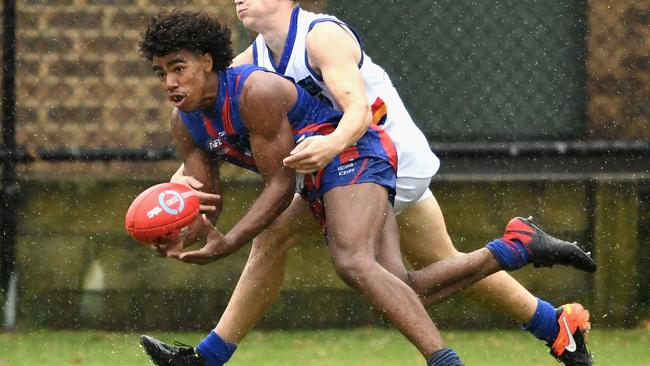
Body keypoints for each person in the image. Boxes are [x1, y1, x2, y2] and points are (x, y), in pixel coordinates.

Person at [136, 9, 596, 366]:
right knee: (403, 287)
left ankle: (209, 356)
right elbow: (203, 168)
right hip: (327, 172)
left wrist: (324, 150)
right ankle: (540, 293)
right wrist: (180, 216)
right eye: (163, 73)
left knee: (341, 258)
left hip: (372, 153)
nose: (170, 81)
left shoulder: (319, 36)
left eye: (177, 68)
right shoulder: (237, 66)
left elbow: (354, 114)